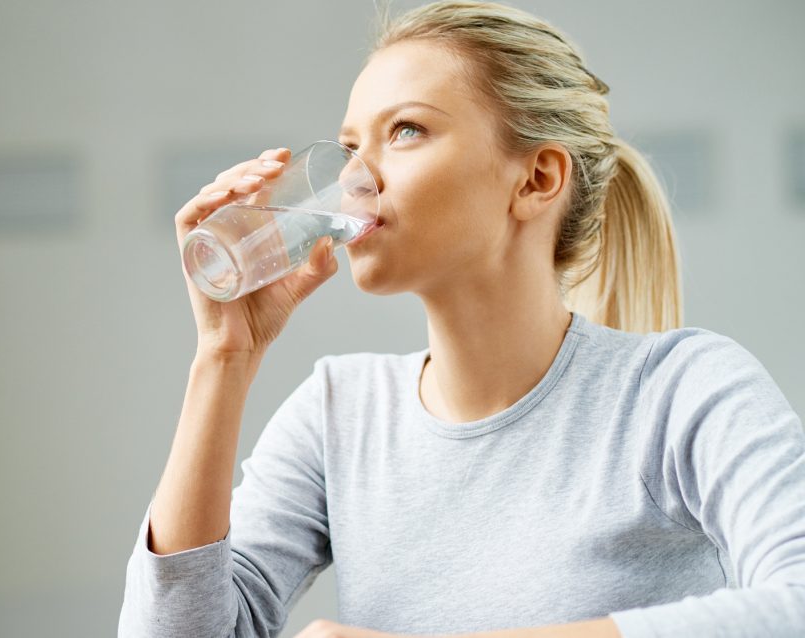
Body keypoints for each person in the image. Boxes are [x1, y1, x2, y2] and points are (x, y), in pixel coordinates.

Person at [118, 2, 805, 636]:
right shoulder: (338, 413)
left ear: (536, 179)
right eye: (350, 147)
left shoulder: (680, 393)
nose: (355, 179)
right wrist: (222, 357)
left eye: (406, 131)